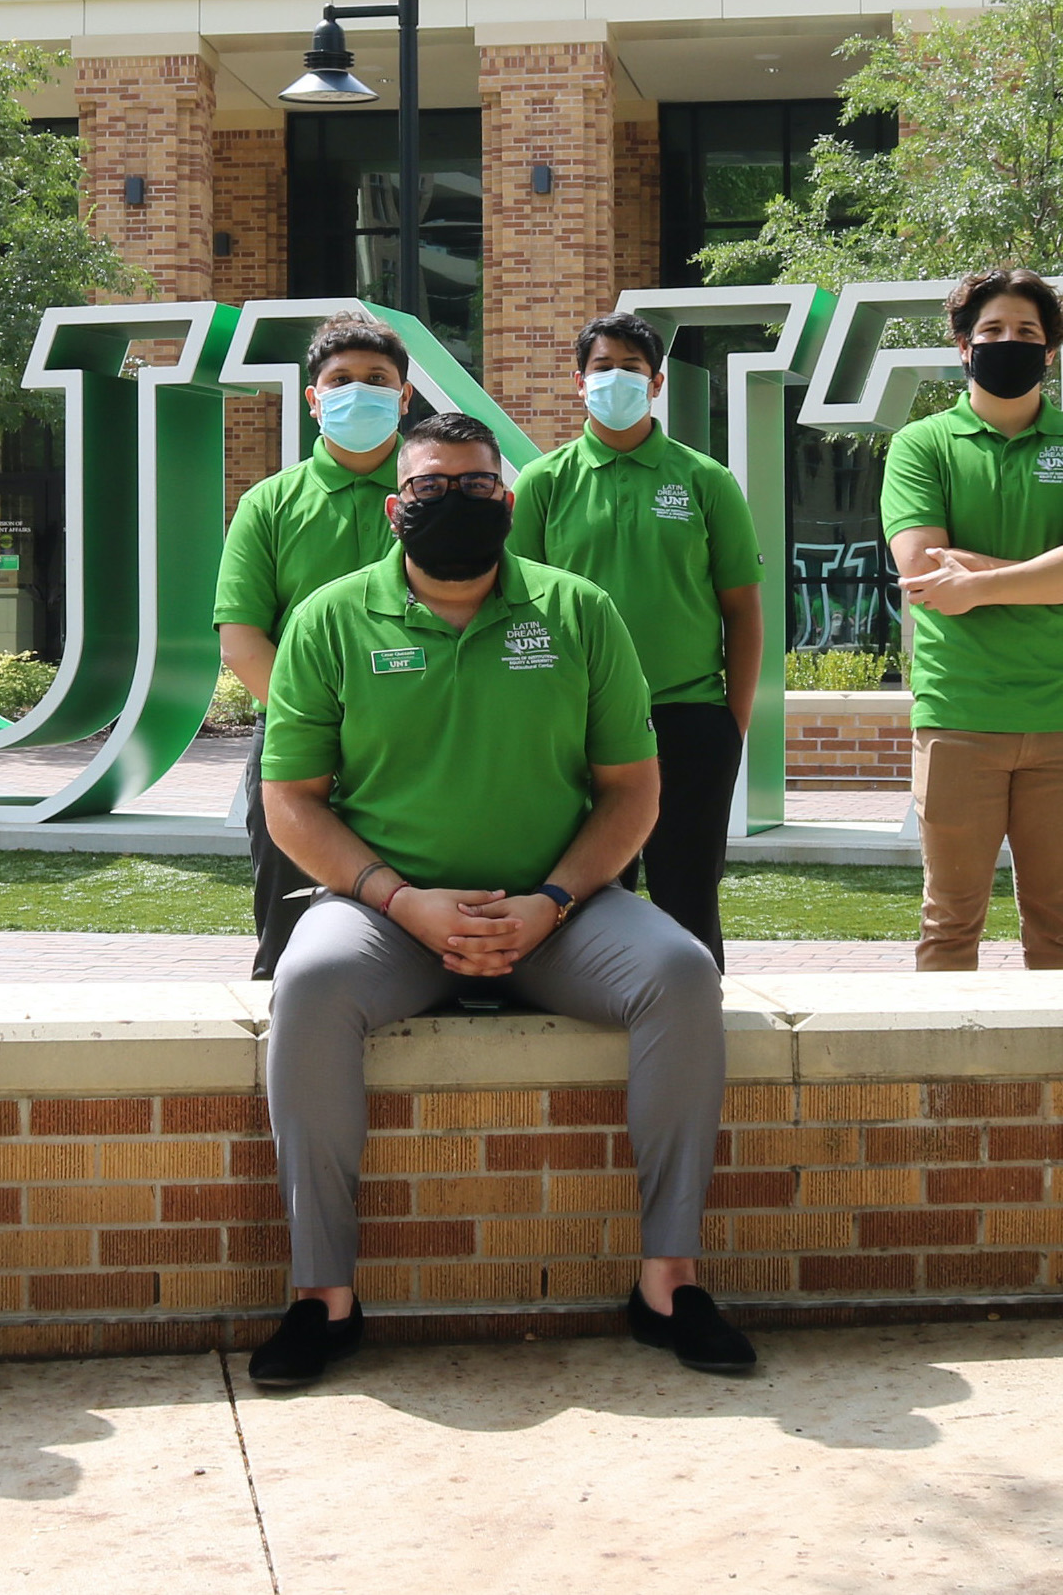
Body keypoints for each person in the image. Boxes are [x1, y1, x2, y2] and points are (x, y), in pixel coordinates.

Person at [243, 412, 750, 1392]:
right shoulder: (329, 618)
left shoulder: (578, 611)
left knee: (683, 972)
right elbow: (290, 803)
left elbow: (631, 789)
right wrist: (406, 903)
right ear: (396, 509)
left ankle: (668, 1280)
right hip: (391, 915)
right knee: (306, 982)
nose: (453, 506)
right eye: (431, 491)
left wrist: (553, 900)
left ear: (507, 504)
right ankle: (322, 1296)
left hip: (558, 910)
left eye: (475, 489)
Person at [882, 268, 1063, 970]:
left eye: (1027, 332)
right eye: (992, 330)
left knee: (1058, 931)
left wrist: (983, 583)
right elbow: (925, 570)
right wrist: (1060, 577)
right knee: (948, 926)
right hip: (958, 711)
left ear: (1050, 351)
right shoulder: (922, 445)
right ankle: (943, 1083)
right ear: (963, 346)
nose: (1009, 342)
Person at [509, 313, 763, 962]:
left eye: (630, 368)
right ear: (578, 381)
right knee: (584, 894)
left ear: (655, 383)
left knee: (688, 890)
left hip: (689, 718)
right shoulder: (544, 482)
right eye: (602, 367)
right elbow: (515, 606)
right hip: (577, 721)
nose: (615, 378)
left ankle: (697, 1018)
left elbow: (741, 607)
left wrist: (730, 722)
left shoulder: (706, 480)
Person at [212, 316, 413, 978]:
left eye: (377, 380)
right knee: (292, 945)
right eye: (341, 380)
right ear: (313, 397)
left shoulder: (436, 495)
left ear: (406, 396)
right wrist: (322, 730)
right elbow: (242, 640)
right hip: (298, 757)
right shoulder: (270, 503)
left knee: (418, 932)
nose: (360, 392)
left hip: (425, 748)